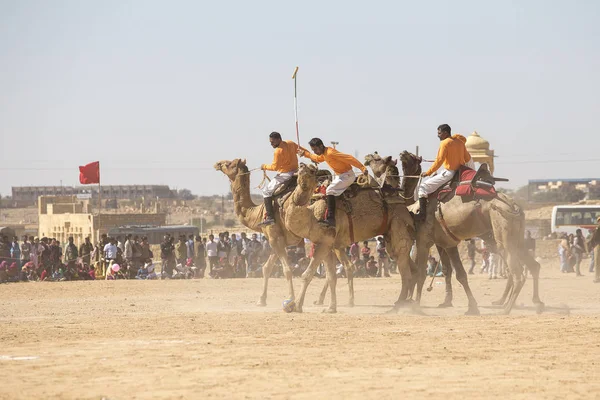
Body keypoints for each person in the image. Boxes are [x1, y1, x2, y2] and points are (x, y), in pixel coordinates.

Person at [298, 138, 368, 227]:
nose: (315, 152)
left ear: (321, 146)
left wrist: (362, 168)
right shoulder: (324, 154)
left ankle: (331, 219)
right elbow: (317, 158)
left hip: (347, 175)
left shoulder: (330, 153)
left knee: (329, 190)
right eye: (313, 150)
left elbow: (349, 158)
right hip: (340, 176)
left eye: (315, 149)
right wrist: (305, 153)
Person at [416, 124, 473, 221]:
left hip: (449, 173)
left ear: (445, 133)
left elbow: (439, 161)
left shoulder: (444, 143)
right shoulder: (460, 142)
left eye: (439, 133)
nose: (438, 135)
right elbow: (467, 158)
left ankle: (422, 216)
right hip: (461, 172)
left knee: (423, 188)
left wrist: (428, 173)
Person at [260, 131, 300, 226]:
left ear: (278, 139)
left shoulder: (278, 151)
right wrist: (311, 157)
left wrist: (264, 166)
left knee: (266, 191)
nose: (271, 144)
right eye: (270, 142)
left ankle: (270, 217)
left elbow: (275, 167)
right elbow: (301, 150)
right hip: (296, 170)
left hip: (285, 174)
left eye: (272, 142)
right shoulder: (290, 143)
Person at [587, 217, 600, 283]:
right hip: (598, 245)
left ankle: (597, 278)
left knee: (597, 262)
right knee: (597, 262)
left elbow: (592, 238)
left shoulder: (597, 229)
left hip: (597, 246)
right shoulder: (597, 229)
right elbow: (592, 238)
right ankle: (597, 277)